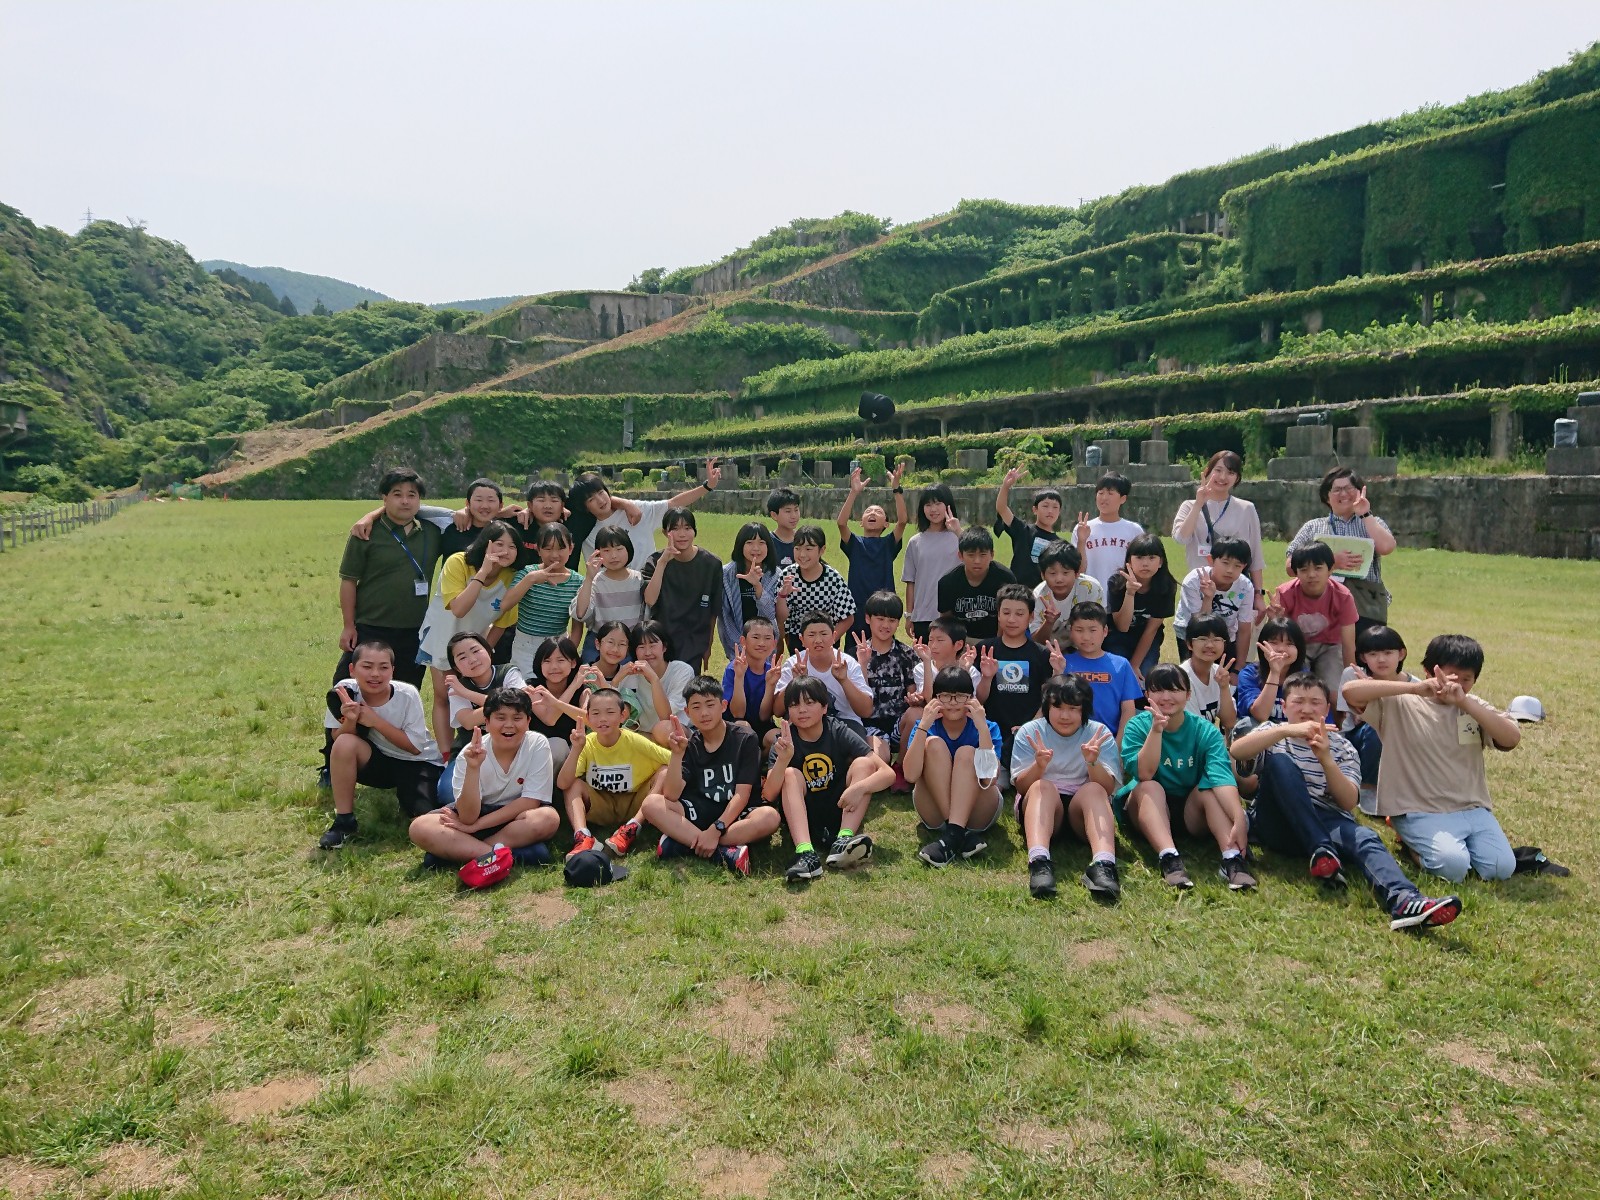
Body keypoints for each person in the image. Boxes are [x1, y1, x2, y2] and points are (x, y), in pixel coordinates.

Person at [1231, 673, 1461, 930]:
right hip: (1278, 822)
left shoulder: (1342, 746)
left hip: (1327, 819)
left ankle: (1406, 901)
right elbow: (1238, 752)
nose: (1307, 709)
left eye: (1315, 703)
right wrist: (1285, 729)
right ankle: (1321, 849)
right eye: (1298, 702)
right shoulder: (1272, 732)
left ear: (1327, 709)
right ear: (1284, 707)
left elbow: (1348, 801)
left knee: (1366, 838)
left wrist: (1327, 759)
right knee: (1281, 764)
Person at [1343, 635, 1521, 884]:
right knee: (1453, 868)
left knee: (1501, 868)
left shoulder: (1472, 706)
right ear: (1428, 671)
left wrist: (1465, 703)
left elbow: (1511, 738)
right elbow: (1350, 692)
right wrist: (1414, 688)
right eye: (1450, 676)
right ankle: (1409, 844)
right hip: (1418, 809)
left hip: (1472, 807)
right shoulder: (1401, 702)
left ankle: (1443, 845)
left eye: (1466, 679)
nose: (1456, 685)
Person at [1114, 664, 1255, 890]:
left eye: (1175, 690)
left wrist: (1238, 817)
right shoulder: (1137, 726)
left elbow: (1220, 777)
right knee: (1149, 786)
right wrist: (1156, 731)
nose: (1167, 697)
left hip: (1192, 812)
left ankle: (1232, 859)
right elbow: (1144, 773)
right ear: (1147, 694)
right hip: (1147, 809)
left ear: (1188, 695)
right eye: (1158, 690)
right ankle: (1169, 858)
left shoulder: (1204, 730)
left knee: (1208, 790)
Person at [638, 677, 783, 875]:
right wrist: (677, 755)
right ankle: (722, 853)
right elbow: (671, 795)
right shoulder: (691, 743)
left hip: (736, 815)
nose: (704, 713)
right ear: (687, 712)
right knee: (651, 804)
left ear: (723, 706)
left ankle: (684, 843)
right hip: (699, 810)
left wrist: (716, 829)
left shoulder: (745, 738)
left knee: (770, 817)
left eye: (710, 705)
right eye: (696, 707)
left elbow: (742, 794)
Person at [761, 677, 894, 882]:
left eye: (810, 702)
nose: (802, 710)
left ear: (824, 707)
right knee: (789, 774)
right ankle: (806, 854)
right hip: (804, 819)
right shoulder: (784, 741)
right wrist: (783, 759)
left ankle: (844, 840)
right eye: (794, 705)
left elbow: (887, 773)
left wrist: (860, 788)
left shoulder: (836, 729)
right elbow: (769, 794)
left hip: (841, 809)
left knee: (864, 764)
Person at [409, 689, 559, 868]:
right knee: (420, 827)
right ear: (486, 723)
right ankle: (499, 854)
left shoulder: (537, 743)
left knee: (548, 818)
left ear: (528, 721)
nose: (509, 725)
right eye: (500, 718)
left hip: (515, 818)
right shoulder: (470, 753)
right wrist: (473, 768)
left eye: (517, 718)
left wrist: (477, 827)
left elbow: (530, 802)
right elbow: (467, 817)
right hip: (477, 813)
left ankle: (463, 852)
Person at [319, 641, 444, 849]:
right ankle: (344, 822)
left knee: (423, 816)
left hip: (417, 761)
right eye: (367, 667)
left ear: (393, 671)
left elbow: (414, 747)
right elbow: (336, 738)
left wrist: (374, 721)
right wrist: (350, 719)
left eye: (383, 667)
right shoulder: (344, 691)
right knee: (344, 742)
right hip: (378, 760)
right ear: (352, 669)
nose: (375, 674)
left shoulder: (407, 694)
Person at [1011, 675, 1122, 900]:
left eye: (1073, 708)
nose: (1064, 715)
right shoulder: (1030, 732)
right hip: (1041, 806)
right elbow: (1022, 787)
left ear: (1084, 709)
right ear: (1046, 707)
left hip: (1082, 811)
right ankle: (1039, 862)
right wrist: (1038, 766)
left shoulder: (1099, 734)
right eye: (1057, 707)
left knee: (1094, 790)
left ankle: (1104, 864)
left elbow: (1107, 788)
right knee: (1043, 786)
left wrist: (1093, 762)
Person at [415, 520, 522, 746]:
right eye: (499, 544)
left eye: (512, 547)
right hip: (443, 635)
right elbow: (459, 608)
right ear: (486, 544)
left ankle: (465, 743)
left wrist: (484, 653)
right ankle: (445, 754)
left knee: (469, 695)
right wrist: (483, 571)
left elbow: (503, 623)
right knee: (444, 695)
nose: (505, 551)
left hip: (475, 643)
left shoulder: (511, 577)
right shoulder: (458, 563)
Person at [336, 468, 442, 688]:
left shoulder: (432, 531)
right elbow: (348, 581)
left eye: (412, 495)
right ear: (384, 498)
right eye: (397, 494)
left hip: (415, 629)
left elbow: (474, 515)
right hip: (371, 626)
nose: (405, 501)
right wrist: (348, 625)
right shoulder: (365, 533)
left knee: (406, 688)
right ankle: (346, 723)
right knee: (349, 685)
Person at [902, 667, 1004, 866]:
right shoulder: (925, 726)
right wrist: (923, 726)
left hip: (979, 811)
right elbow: (910, 775)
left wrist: (982, 728)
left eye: (960, 697)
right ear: (935, 698)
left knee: (966, 753)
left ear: (971, 699)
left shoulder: (987, 726)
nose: (953, 703)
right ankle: (957, 832)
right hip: (935, 812)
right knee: (934, 744)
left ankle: (952, 836)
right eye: (946, 697)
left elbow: (989, 780)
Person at [556, 687, 672, 859]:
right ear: (588, 718)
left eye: (610, 712)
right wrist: (576, 749)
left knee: (665, 772)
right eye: (595, 713)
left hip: (635, 803)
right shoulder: (586, 743)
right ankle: (583, 836)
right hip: (601, 804)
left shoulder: (636, 741)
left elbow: (674, 761)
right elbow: (563, 784)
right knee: (573, 784)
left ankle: (631, 829)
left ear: (623, 716)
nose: (603, 719)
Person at [1285, 466, 1397, 629]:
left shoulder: (1372, 522)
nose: (1344, 494)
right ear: (1326, 496)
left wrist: (1365, 514)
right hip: (1322, 605)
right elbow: (1290, 567)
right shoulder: (1313, 527)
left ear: (1360, 491)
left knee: (1365, 652)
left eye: (1349, 488)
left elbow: (1387, 547)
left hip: (1365, 604)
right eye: (1337, 490)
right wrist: (1331, 562)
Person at [978, 583, 1060, 787]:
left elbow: (1049, 701)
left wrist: (1058, 673)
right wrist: (987, 677)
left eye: (1019, 613)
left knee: (1031, 783)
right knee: (993, 784)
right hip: (993, 734)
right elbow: (977, 700)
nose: (1012, 619)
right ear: (998, 614)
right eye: (1006, 612)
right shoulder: (985, 650)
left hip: (1029, 734)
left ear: (1031, 617)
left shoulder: (1042, 655)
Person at [433, 631, 527, 806]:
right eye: (462, 657)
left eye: (476, 651)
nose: (472, 659)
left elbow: (520, 705)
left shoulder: (508, 672)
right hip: (470, 751)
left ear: (489, 650)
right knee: (448, 795)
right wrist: (505, 707)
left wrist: (467, 694)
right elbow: (467, 722)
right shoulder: (456, 686)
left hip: (512, 750)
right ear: (456, 667)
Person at [573, 460, 719, 570]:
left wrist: (707, 486)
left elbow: (673, 503)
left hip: (650, 582)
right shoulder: (586, 530)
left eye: (601, 493)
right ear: (583, 506)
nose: (600, 500)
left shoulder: (637, 510)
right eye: (591, 499)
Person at [1171, 450, 1265, 620]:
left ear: (1237, 478)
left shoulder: (1246, 508)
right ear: (1207, 472)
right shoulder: (1189, 506)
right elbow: (1181, 538)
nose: (1223, 477)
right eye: (1218, 470)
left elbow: (1255, 554)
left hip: (1234, 591)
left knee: (1232, 640)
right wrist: (1199, 503)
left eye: (1230, 472)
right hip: (1198, 588)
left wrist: (1258, 594)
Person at [1271, 542, 1357, 707]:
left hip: (1330, 646)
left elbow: (1348, 644)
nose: (1311, 575)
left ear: (1331, 569)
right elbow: (1275, 638)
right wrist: (1274, 619)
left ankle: (1338, 728)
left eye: (1318, 568)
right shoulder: (1284, 593)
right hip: (1295, 646)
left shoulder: (1343, 596)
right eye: (1304, 570)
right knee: (1298, 691)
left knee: (1333, 695)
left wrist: (1350, 679)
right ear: (1295, 572)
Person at [1339, 623, 1412, 806]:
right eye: (1373, 654)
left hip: (1400, 743)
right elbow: (1351, 718)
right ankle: (1368, 788)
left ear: (1401, 654)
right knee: (1375, 728)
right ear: (1363, 657)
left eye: (1388, 653)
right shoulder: (1352, 675)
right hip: (1359, 739)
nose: (1381, 659)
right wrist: (1367, 690)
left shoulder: (1412, 684)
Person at [641, 507, 723, 670]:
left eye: (687, 528)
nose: (682, 534)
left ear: (694, 531)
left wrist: (708, 644)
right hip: (662, 639)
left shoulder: (711, 564)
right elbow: (650, 599)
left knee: (689, 690)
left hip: (694, 639)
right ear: (666, 533)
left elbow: (714, 610)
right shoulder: (655, 561)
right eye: (675, 529)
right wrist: (663, 563)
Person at [837, 463, 909, 638]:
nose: (873, 513)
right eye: (869, 511)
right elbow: (841, 523)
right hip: (857, 608)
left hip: (884, 609)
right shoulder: (854, 543)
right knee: (855, 653)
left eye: (878, 512)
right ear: (861, 522)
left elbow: (902, 521)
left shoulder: (888, 544)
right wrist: (854, 492)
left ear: (886, 524)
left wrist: (896, 489)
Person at [501, 523, 580, 676]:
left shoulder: (577, 581)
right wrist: (530, 580)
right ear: (538, 549)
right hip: (526, 647)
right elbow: (505, 605)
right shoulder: (528, 573)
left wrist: (568, 653)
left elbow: (577, 626)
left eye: (561, 548)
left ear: (571, 548)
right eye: (548, 549)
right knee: (525, 693)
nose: (555, 555)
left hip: (558, 646)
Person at [774, 612, 875, 728]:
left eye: (823, 634)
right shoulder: (794, 664)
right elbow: (777, 711)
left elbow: (866, 711)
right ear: (801, 639)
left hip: (846, 724)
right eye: (811, 635)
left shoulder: (848, 663)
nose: (818, 640)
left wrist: (844, 680)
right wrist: (794, 681)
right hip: (805, 725)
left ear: (834, 637)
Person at [1063, 602, 1142, 742]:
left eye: (1093, 630)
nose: (1086, 637)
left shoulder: (1121, 665)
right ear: (1071, 631)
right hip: (1069, 741)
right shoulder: (1063, 662)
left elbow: (1128, 710)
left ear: (1105, 631)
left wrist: (1118, 745)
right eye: (1079, 630)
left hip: (1109, 739)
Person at [1104, 533, 1177, 682]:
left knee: (1144, 675)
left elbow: (1151, 630)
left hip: (1147, 637)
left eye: (1152, 558)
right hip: (1117, 637)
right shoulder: (1116, 583)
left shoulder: (1166, 586)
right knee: (1117, 674)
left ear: (1161, 562)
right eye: (1139, 557)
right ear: (1128, 561)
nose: (1145, 563)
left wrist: (1135, 664)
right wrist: (1130, 593)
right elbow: (1122, 627)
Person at [1174, 536, 1257, 665]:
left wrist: (1238, 668)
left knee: (1225, 675)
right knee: (1195, 675)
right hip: (1192, 633)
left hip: (1227, 634)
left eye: (1237, 565)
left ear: (1244, 566)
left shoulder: (1245, 587)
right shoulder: (1194, 581)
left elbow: (1244, 628)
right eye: (1225, 563)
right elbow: (1198, 626)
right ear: (1211, 560)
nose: (1230, 570)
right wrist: (1208, 597)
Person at [773, 525, 855, 651]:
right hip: (798, 640)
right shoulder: (787, 575)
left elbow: (848, 617)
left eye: (809, 549)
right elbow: (781, 618)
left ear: (822, 550)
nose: (802, 554)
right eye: (797, 548)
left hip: (826, 640)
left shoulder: (833, 578)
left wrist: (830, 640)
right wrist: (783, 595)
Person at [570, 526, 645, 662]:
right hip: (598, 645)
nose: (614, 555)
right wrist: (588, 578)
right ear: (598, 554)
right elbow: (580, 613)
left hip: (630, 645)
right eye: (606, 550)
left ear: (629, 549)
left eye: (619, 549)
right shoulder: (595, 581)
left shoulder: (638, 580)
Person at [900, 484, 962, 641]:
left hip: (954, 615)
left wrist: (958, 531)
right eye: (928, 505)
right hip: (923, 616)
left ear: (947, 504)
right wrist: (909, 615)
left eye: (937, 503)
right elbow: (911, 582)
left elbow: (977, 560)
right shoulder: (915, 542)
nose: (933, 509)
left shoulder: (959, 538)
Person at [619, 621, 696, 744]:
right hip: (641, 736)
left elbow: (666, 717)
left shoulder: (682, 671)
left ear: (664, 647)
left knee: (664, 729)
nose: (648, 652)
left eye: (653, 645)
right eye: (641, 647)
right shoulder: (630, 674)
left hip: (674, 733)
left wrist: (654, 679)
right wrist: (618, 677)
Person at [935, 527, 1017, 641]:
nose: (977, 561)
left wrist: (998, 645)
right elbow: (946, 621)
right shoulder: (947, 582)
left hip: (996, 638)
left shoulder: (1005, 578)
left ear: (992, 554)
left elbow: (1009, 615)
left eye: (983, 554)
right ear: (960, 556)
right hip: (962, 640)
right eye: (971, 555)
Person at [718, 522, 779, 660]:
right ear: (740, 545)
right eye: (750, 542)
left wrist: (757, 586)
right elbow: (725, 617)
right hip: (736, 648)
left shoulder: (775, 575)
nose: (756, 548)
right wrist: (741, 646)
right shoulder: (726, 574)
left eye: (762, 542)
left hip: (766, 648)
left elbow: (770, 614)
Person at [993, 465, 1062, 588]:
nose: (1050, 511)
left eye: (1055, 507)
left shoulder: (1059, 544)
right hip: (1018, 592)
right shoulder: (1022, 530)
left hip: (1043, 595)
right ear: (1035, 509)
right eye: (1045, 506)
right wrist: (1006, 486)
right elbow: (1001, 508)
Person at [526, 635, 583, 779]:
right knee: (557, 746)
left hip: (572, 757)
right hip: (534, 755)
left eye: (561, 660)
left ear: (573, 663)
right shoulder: (532, 688)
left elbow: (591, 720)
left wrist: (576, 687)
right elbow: (550, 719)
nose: (554, 667)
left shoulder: (583, 691)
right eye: (547, 661)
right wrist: (573, 686)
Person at [1075, 472, 1144, 588]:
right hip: (1091, 595)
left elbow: (1142, 567)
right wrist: (1081, 541)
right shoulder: (1083, 528)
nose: (1104, 498)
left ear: (1123, 499)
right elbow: (1078, 570)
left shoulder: (1134, 530)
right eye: (1100, 493)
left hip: (1123, 594)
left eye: (1110, 493)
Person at [1236, 616, 1308, 726]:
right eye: (1274, 642)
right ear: (1261, 645)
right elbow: (1260, 715)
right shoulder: (1249, 674)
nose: (1281, 649)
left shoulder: (1306, 679)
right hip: (1257, 736)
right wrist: (1275, 672)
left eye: (1289, 644)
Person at [1029, 541, 1104, 646]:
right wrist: (1049, 622)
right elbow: (1037, 641)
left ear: (1077, 573)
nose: (1059, 579)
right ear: (1042, 575)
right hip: (1051, 650)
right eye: (1053, 573)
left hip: (1085, 647)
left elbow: (1099, 630)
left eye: (1065, 573)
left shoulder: (1091, 589)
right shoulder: (1039, 595)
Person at [723, 616, 781, 747]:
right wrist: (739, 677)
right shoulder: (734, 668)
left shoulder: (771, 672)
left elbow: (764, 717)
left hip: (762, 726)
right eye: (755, 637)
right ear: (743, 641)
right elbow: (738, 713)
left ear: (773, 644)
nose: (761, 643)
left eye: (767, 638)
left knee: (779, 737)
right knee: (743, 728)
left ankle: (763, 760)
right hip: (737, 724)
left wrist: (770, 685)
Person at [1178, 614, 1237, 736]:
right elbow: (1194, 728)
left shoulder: (1218, 673)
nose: (1210, 645)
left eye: (1216, 640)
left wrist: (1224, 687)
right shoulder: (1181, 677)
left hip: (1206, 742)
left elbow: (1230, 722)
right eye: (1203, 639)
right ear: (1189, 644)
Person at [766, 486, 802, 569]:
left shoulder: (804, 539)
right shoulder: (768, 541)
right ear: (774, 515)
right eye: (788, 511)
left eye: (796, 510)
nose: (794, 516)